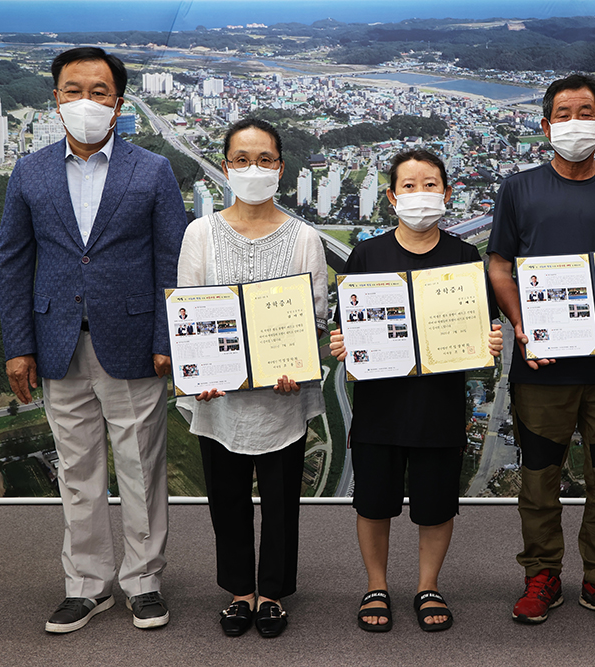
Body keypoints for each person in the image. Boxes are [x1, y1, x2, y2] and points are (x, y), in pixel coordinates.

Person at [0, 47, 187, 633]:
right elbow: (13, 262)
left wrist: (167, 337)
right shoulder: (29, 171)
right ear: (55, 100)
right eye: (72, 90)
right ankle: (85, 585)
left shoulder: (151, 170)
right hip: (56, 342)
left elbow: (170, 262)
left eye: (98, 91)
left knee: (140, 466)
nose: (85, 101)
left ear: (118, 103)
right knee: (76, 472)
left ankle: (144, 580)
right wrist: (17, 345)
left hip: (132, 342)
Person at [487, 74, 595, 627]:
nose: (575, 122)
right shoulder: (518, 188)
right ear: (545, 126)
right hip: (542, 367)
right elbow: (499, 264)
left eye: (587, 112)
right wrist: (520, 324)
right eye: (564, 113)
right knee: (539, 481)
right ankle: (542, 576)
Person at [329, 149, 503, 633]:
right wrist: (343, 342)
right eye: (409, 185)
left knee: (436, 504)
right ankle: (376, 586)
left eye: (430, 185)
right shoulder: (368, 254)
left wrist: (489, 341)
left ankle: (429, 585)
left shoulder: (465, 258)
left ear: (447, 194)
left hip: (439, 404)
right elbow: (347, 324)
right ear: (390, 197)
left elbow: (479, 327)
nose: (420, 195)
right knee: (374, 503)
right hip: (380, 404)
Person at [177, 117, 328, 639]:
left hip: (282, 398)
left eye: (264, 159)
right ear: (225, 167)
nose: (253, 169)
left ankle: (274, 593)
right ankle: (241, 591)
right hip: (220, 400)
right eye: (241, 159)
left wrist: (298, 367)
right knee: (227, 497)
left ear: (281, 169)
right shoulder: (200, 233)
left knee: (283, 501)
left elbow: (315, 319)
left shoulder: (306, 238)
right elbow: (189, 314)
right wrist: (202, 369)